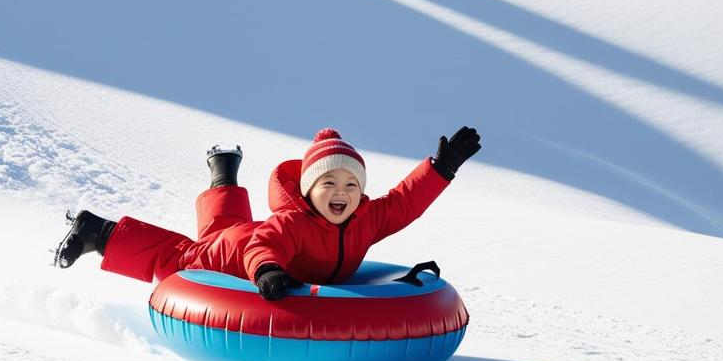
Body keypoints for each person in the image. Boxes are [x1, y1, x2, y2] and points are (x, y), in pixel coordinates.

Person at [54, 126, 481, 300]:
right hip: (236, 256)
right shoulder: (292, 221)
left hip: (245, 233)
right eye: (328, 184)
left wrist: (440, 170)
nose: (341, 193)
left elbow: (403, 203)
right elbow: (261, 245)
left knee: (224, 225)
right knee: (179, 257)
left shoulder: (366, 220)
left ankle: (223, 167)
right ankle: (98, 231)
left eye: (352, 186)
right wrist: (267, 272)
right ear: (308, 190)